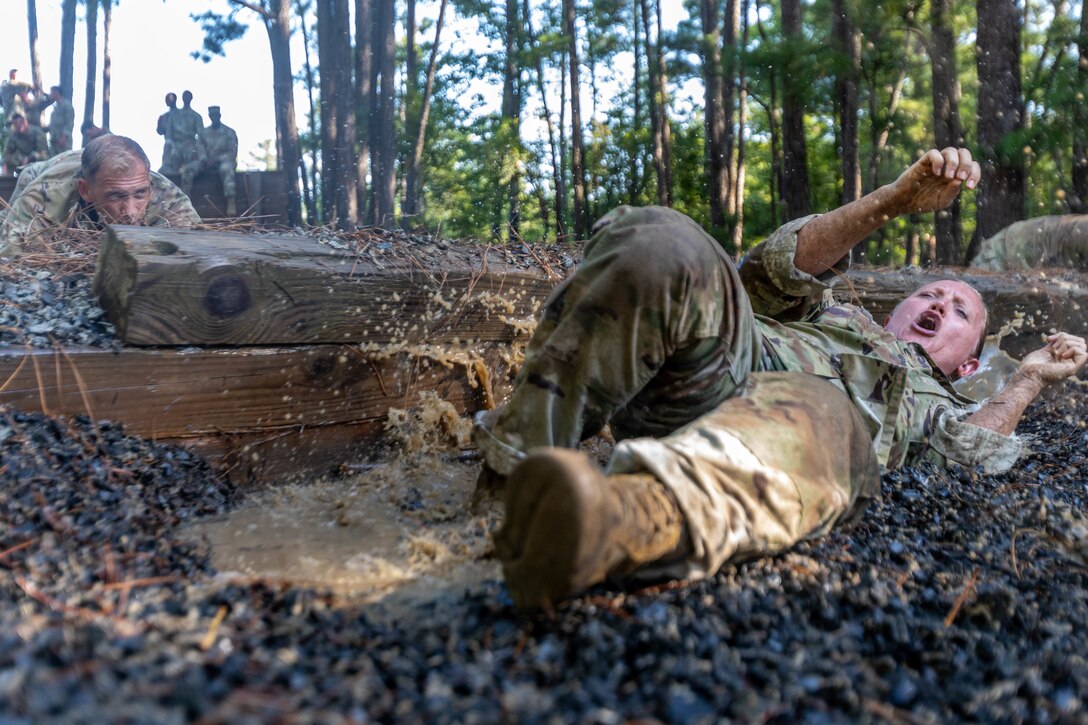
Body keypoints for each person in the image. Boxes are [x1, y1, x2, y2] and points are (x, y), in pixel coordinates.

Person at [474, 147, 1088, 611]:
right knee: (662, 237)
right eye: (929, 294)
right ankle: (508, 481)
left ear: (967, 366)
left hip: (807, 436)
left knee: (820, 406)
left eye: (960, 312)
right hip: (713, 374)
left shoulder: (947, 400)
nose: (937, 305)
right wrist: (890, 203)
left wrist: (1029, 379)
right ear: (891, 312)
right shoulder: (837, 316)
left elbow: (973, 458)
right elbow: (767, 274)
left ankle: (608, 523)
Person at [0, 134, 200, 256]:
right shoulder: (46, 195)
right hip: (40, 173)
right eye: (115, 196)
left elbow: (198, 251)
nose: (130, 212)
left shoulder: (167, 195)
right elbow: (12, 262)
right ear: (85, 190)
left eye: (140, 194)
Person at [201, 105, 239, 216]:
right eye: (212, 116)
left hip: (225, 161)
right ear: (209, 117)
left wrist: (217, 159)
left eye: (216, 115)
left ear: (220, 115)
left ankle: (231, 201)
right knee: (189, 169)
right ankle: (185, 200)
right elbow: (200, 148)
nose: (214, 118)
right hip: (207, 162)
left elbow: (232, 152)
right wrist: (204, 159)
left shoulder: (229, 132)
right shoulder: (204, 133)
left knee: (226, 169)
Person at [168, 90, 204, 195]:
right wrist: (172, 146)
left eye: (188, 97)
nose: (186, 99)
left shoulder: (196, 116)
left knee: (190, 167)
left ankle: (185, 195)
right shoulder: (175, 115)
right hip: (176, 144)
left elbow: (201, 136)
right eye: (185, 97)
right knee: (172, 163)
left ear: (191, 99)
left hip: (190, 144)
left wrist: (197, 150)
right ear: (182, 98)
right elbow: (169, 135)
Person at [45, 86, 75, 156]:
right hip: (54, 140)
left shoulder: (66, 105)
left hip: (63, 140)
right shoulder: (55, 108)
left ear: (56, 93)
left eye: (51, 92)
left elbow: (69, 122)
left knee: (65, 161)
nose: (50, 94)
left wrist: (64, 136)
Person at [156, 92, 178, 175]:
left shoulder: (181, 114)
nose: (169, 101)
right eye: (167, 100)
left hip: (181, 142)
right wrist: (161, 124)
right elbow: (159, 131)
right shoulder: (164, 116)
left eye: (171, 99)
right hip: (169, 141)